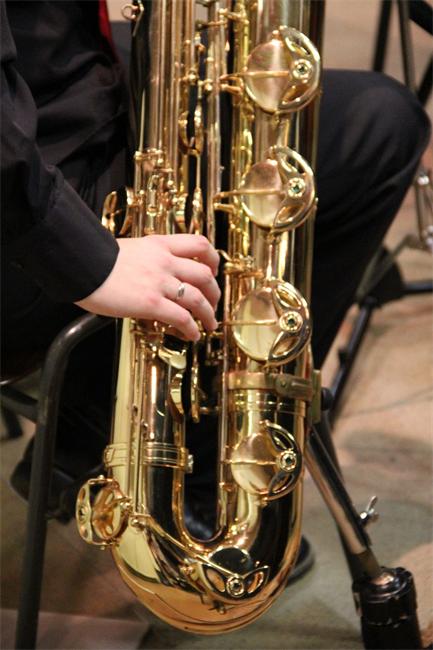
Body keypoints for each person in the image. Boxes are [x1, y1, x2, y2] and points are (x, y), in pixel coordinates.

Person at [1, 0, 430, 577]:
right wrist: (88, 263)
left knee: (332, 104)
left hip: (48, 92)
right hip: (20, 223)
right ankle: (195, 480)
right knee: (375, 130)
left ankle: (87, 423)